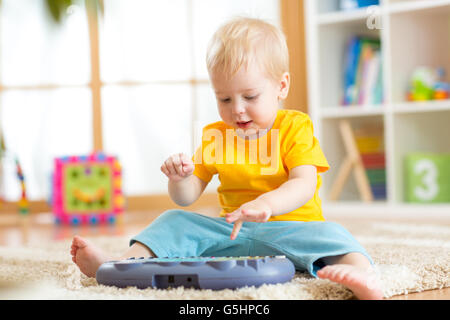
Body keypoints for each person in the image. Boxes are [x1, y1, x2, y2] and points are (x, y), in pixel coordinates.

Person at [71, 17, 383, 300]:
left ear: (281, 87)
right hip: (231, 231)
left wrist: (267, 205)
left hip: (291, 228)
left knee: (333, 234)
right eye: (224, 98)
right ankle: (120, 267)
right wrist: (179, 180)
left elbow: (304, 183)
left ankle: (361, 277)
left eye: (250, 96)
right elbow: (187, 197)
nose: (237, 109)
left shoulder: (296, 126)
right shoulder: (214, 135)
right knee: (173, 221)